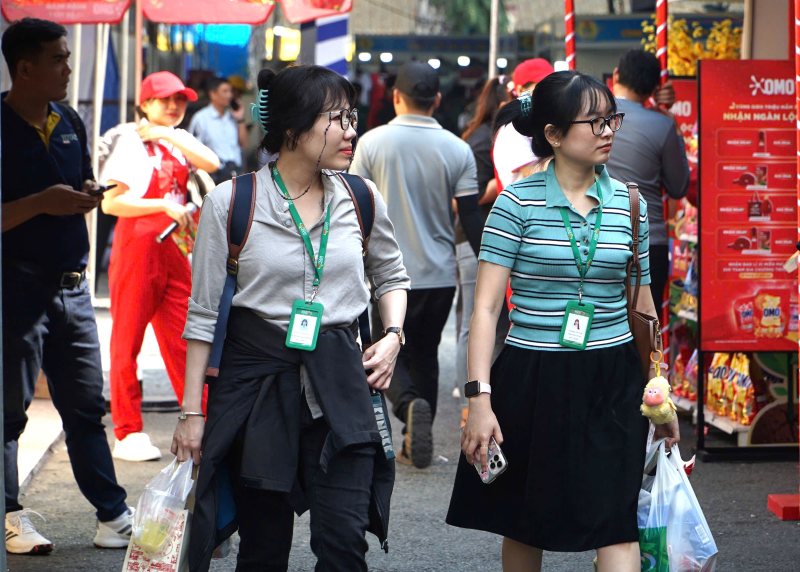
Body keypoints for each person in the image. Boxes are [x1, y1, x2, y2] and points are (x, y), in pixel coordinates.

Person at [171, 65, 409, 572]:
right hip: (258, 391)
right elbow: (203, 314)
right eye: (337, 119)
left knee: (345, 544)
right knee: (263, 548)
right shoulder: (231, 202)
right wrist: (192, 414)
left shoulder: (361, 197)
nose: (352, 130)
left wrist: (392, 336)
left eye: (351, 117)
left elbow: (391, 275)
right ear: (293, 129)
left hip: (342, 387)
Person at [446, 71, 680, 572]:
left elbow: (643, 304)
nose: (607, 131)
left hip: (612, 378)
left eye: (610, 119)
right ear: (553, 134)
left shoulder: (631, 204)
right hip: (532, 377)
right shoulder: (515, 202)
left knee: (616, 519)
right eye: (593, 122)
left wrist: (659, 389)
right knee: (526, 520)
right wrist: (479, 399)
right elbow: (487, 308)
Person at [1, 17, 132, 554]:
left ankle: (113, 514)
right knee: (9, 413)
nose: (68, 67)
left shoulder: (69, 118)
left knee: (85, 407)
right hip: (15, 289)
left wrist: (87, 193)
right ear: (25, 68)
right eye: (57, 59)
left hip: (73, 289)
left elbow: (73, 184)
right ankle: (11, 516)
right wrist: (41, 203)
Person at [350, 61, 484, 469]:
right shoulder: (458, 148)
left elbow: (354, 205)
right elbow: (472, 218)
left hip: (385, 274)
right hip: (440, 273)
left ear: (395, 97)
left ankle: (408, 405)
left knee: (381, 349)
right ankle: (413, 435)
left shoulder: (372, 143)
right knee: (424, 352)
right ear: (438, 99)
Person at [99, 71, 219, 462]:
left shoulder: (175, 141)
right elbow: (111, 203)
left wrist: (167, 133)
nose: (173, 106)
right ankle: (128, 429)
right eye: (165, 99)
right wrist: (162, 205)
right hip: (137, 247)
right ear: (144, 102)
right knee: (127, 340)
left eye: (180, 100)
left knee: (187, 336)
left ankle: (202, 415)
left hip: (173, 250)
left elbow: (212, 162)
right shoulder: (128, 139)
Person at [606, 49, 690, 317]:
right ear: (655, 87)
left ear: (616, 75)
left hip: (600, 236)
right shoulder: (661, 125)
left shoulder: (595, 115)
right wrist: (671, 123)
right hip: (648, 240)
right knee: (644, 331)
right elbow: (679, 187)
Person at [454, 77, 511, 418]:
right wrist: (496, 184)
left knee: (483, 319)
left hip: (480, 239)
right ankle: (468, 402)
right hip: (475, 238)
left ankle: (478, 398)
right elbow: (465, 199)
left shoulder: (482, 137)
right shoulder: (482, 141)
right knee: (476, 320)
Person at [492, 58, 554, 192]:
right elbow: (535, 176)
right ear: (520, 90)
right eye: (541, 86)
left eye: (552, 86)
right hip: (523, 210)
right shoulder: (512, 127)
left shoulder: (542, 120)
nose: (550, 92)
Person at [188, 76, 249, 184]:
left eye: (230, 91)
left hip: (236, 173)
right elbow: (192, 150)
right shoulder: (201, 118)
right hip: (214, 176)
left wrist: (240, 119)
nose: (229, 95)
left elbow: (244, 144)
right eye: (225, 91)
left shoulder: (232, 117)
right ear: (213, 94)